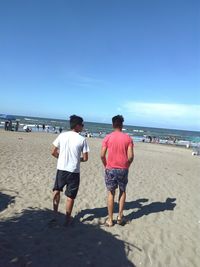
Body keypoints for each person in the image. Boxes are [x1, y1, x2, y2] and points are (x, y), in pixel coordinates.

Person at [51, 115, 89, 225]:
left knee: (56, 191)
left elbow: (53, 151)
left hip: (61, 169)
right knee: (70, 197)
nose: (82, 126)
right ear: (77, 126)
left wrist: (61, 157)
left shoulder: (62, 136)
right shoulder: (82, 139)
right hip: (73, 171)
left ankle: (54, 214)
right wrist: (77, 159)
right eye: (82, 125)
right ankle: (67, 220)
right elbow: (85, 158)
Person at [100, 115, 134, 227]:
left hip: (110, 168)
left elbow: (102, 155)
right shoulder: (128, 138)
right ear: (122, 124)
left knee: (111, 193)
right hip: (123, 169)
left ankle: (110, 220)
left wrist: (106, 165)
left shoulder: (108, 137)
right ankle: (119, 217)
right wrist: (127, 165)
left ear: (113, 124)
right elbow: (130, 157)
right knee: (122, 191)